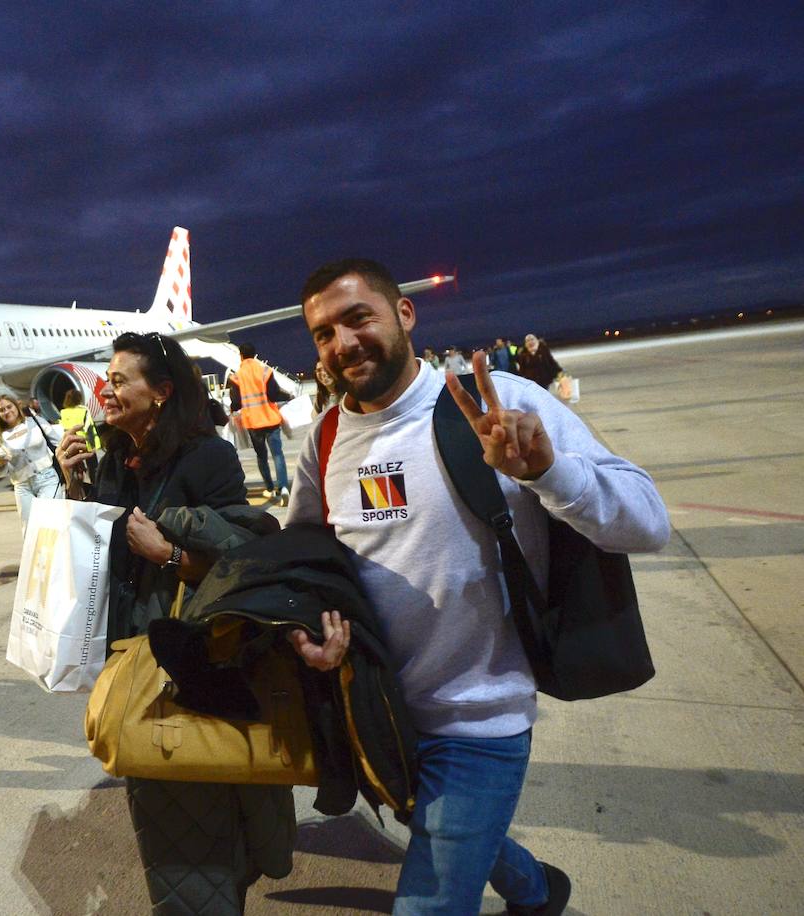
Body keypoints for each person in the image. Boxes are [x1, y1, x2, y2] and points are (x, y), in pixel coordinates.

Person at [284, 258, 670, 915]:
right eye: (323, 332)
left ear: (404, 314)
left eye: (358, 318)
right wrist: (310, 631)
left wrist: (550, 472)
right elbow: (305, 565)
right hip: (381, 715)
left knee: (429, 900)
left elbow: (649, 521)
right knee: (455, 830)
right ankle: (537, 888)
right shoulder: (324, 439)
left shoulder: (505, 405)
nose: (342, 342)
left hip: (480, 715)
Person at [57, 331, 294, 914]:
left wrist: (165, 554)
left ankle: (229, 875)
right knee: (169, 790)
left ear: (161, 392)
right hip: (134, 645)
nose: (105, 392)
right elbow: (103, 553)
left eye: (118, 381)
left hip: (193, 649)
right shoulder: (116, 455)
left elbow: (237, 558)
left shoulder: (206, 455)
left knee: (197, 783)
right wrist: (76, 487)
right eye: (106, 381)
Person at [227, 341, 290, 506]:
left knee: (261, 457)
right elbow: (274, 394)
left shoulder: (236, 376)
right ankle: (283, 488)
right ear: (254, 355)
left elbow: (236, 402)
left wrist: (232, 411)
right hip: (271, 419)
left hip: (253, 423)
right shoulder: (265, 371)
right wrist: (288, 397)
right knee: (278, 454)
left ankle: (269, 488)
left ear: (240, 355)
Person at [0, 394, 63, 527]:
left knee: (50, 524)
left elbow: (58, 444)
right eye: (2, 410)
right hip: (22, 486)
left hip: (47, 479)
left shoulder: (36, 422)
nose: (6, 411)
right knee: (30, 530)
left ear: (16, 406)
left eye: (9, 407)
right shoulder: (0, 437)